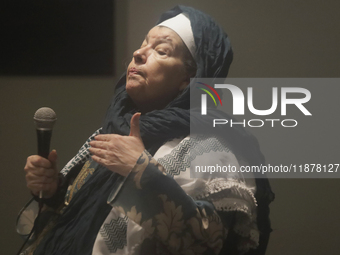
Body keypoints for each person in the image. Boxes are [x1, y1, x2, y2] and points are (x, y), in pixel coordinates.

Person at [20, 5, 274, 255]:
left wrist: (141, 172)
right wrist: (53, 192)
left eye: (161, 50)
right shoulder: (114, 130)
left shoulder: (211, 151)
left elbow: (209, 243)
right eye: (143, 44)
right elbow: (75, 221)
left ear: (190, 78)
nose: (138, 53)